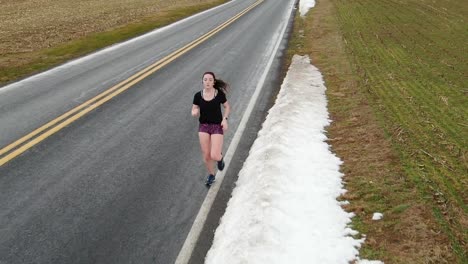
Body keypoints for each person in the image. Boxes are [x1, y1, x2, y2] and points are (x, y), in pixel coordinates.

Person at [192, 72, 231, 186]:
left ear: (213, 82)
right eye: (205, 80)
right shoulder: (198, 95)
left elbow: (227, 106)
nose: (207, 82)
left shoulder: (219, 94)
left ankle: (220, 158)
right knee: (206, 155)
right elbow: (194, 108)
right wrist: (194, 112)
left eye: (210, 80)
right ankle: (211, 175)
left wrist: (225, 119)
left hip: (216, 126)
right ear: (202, 82)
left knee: (214, 155)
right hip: (203, 126)